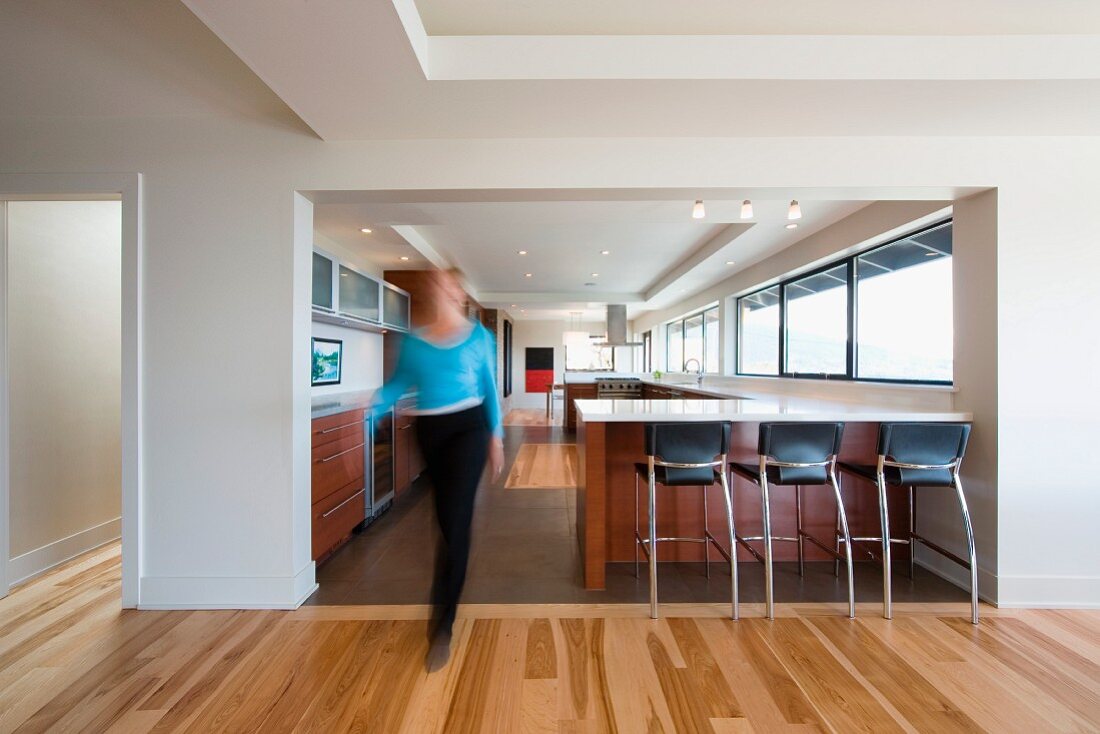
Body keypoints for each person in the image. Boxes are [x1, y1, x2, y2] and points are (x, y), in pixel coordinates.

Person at [371, 268, 504, 671]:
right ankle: (444, 609)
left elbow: (489, 386)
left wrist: (495, 436)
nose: (440, 289)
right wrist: (374, 404)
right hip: (429, 430)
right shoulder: (415, 343)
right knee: (443, 521)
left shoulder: (480, 337)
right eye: (434, 284)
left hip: (468, 427)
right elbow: (397, 385)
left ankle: (443, 624)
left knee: (455, 521)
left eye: (447, 283)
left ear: (458, 291)